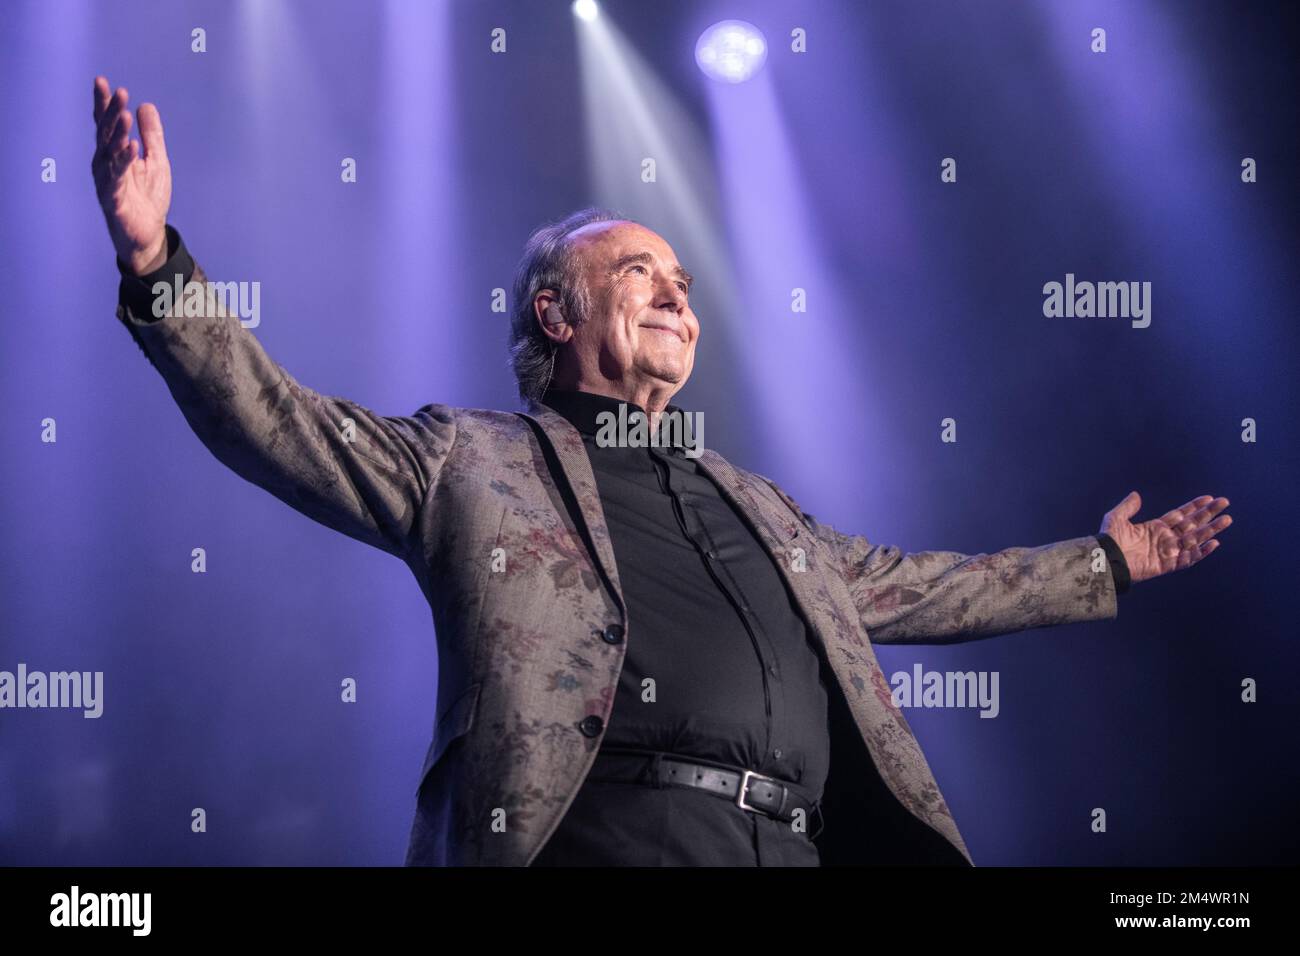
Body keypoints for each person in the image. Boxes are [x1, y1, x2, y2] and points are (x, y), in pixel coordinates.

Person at [91, 76, 1233, 866]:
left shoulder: (759, 503)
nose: (679, 292)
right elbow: (281, 424)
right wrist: (159, 268)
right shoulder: (473, 459)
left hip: (792, 846)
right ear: (556, 309)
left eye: (684, 276)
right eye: (641, 271)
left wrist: (1101, 563)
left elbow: (917, 585)